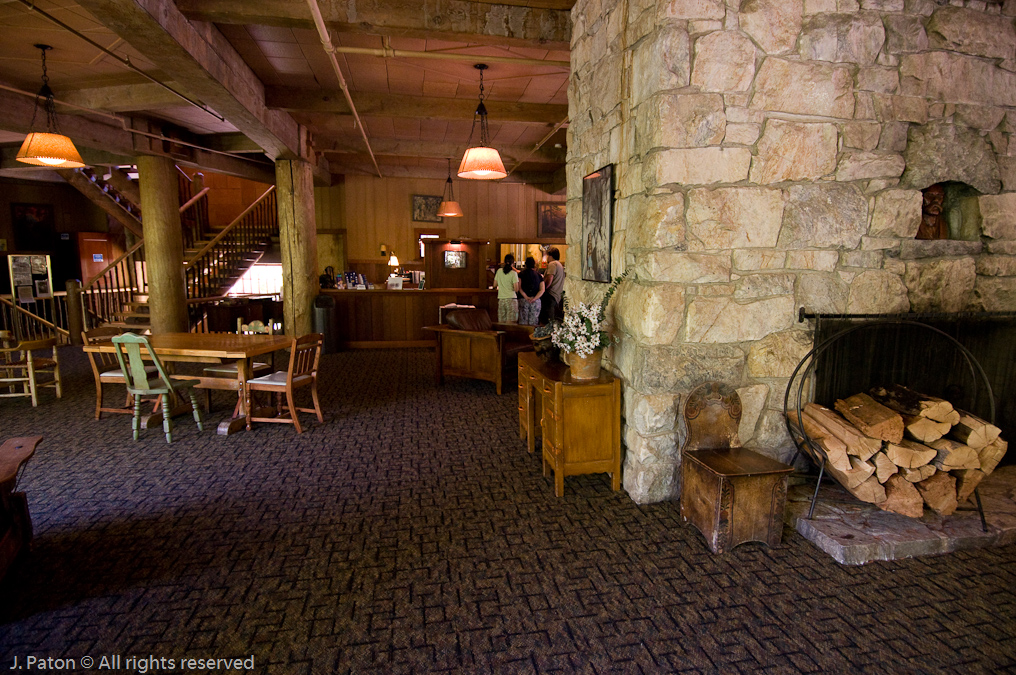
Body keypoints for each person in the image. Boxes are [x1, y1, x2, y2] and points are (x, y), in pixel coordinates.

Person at [539, 246, 565, 325]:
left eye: (548, 256)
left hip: (550, 295)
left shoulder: (552, 264)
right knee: (552, 319)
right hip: (557, 295)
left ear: (551, 256)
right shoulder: (560, 265)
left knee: (546, 320)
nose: (547, 258)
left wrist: (543, 289)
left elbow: (549, 279)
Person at [517, 256, 545, 326]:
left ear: (526, 264)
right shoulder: (539, 276)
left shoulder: (521, 274)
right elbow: (542, 289)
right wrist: (535, 298)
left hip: (523, 300)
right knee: (533, 323)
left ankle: (524, 333)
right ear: (534, 265)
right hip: (535, 301)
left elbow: (519, 288)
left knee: (523, 322)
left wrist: (526, 297)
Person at [493, 253, 520, 323]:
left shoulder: (499, 271)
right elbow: (516, 289)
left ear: (504, 262)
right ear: (513, 263)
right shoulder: (513, 273)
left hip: (501, 299)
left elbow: (494, 284)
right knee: (511, 323)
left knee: (501, 323)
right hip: (511, 299)